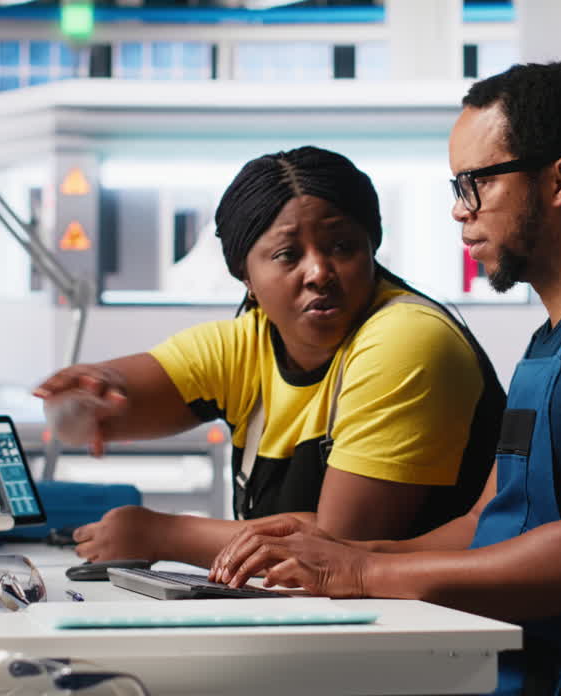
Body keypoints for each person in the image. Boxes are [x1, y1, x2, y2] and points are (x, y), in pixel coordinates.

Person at [208, 64, 561, 696]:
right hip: (496, 660)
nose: (458, 209)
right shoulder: (558, 337)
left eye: (475, 183)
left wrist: (361, 574)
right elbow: (485, 526)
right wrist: (342, 549)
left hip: (560, 679)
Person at [34, 145, 505, 568]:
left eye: (342, 246)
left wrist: (162, 534)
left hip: (442, 639)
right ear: (246, 277)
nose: (319, 271)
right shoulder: (251, 341)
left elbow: (341, 546)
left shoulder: (408, 338)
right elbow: (121, 398)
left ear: (371, 247)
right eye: (287, 254)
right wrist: (79, 401)